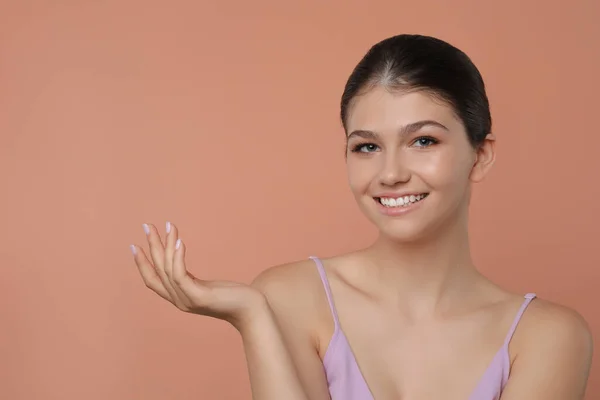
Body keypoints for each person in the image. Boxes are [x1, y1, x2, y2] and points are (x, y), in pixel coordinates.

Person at [129, 34, 593, 399]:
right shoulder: (288, 299)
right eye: (367, 147)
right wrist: (252, 316)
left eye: (423, 141)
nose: (390, 173)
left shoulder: (546, 338)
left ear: (481, 155)